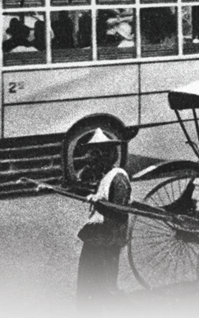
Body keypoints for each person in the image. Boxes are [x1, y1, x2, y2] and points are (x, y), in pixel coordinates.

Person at [75, 130, 131, 310]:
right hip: (100, 232)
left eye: (95, 156)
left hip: (110, 234)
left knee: (104, 280)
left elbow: (119, 210)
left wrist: (99, 203)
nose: (90, 160)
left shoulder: (119, 177)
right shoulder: (105, 177)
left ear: (106, 156)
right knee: (87, 275)